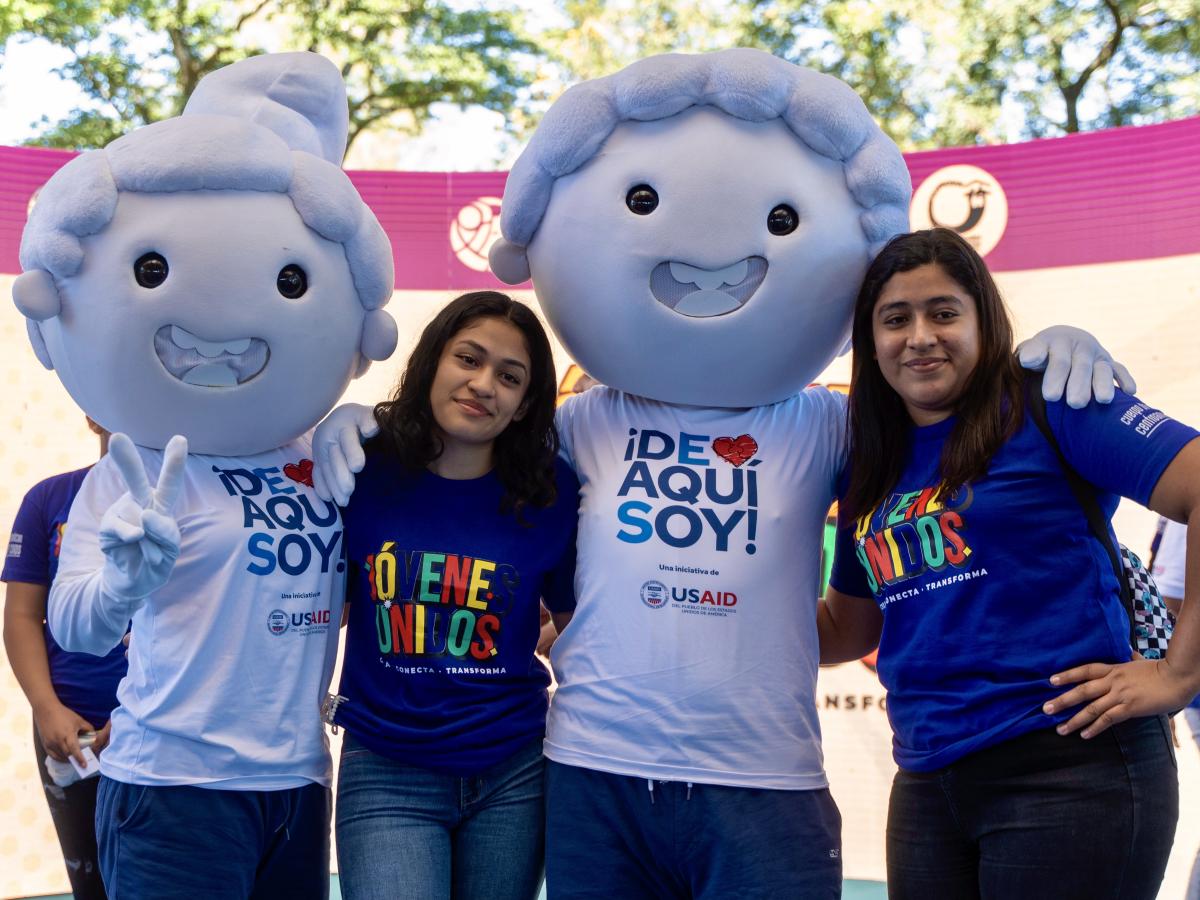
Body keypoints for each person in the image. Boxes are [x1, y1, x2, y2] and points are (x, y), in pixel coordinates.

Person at [314, 50, 1127, 900]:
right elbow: (457, 456)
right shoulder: (579, 423)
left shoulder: (827, 422)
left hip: (765, 778)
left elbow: (944, 416)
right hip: (596, 767)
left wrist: (1043, 357)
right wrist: (359, 423)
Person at [12, 52, 397, 899]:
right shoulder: (137, 465)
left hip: (297, 787)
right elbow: (73, 625)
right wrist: (121, 581)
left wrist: (369, 426)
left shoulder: (320, 453)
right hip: (174, 786)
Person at [820, 227, 1200, 899]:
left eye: (943, 312)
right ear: (868, 339)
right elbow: (849, 632)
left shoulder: (1051, 402)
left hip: (1071, 764)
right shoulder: (869, 462)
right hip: (929, 776)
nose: (920, 336)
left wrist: (1179, 674)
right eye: (895, 318)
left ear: (982, 319)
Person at [329, 291, 577, 900]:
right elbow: (317, 609)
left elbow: (580, 625)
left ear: (524, 405)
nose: (484, 383)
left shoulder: (550, 492)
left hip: (513, 770)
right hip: (387, 767)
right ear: (434, 361)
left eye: (509, 376)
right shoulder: (362, 469)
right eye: (469, 358)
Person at [2, 419, 123, 900]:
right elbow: (22, 617)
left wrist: (141, 716)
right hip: (71, 737)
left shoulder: (196, 497)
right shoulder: (49, 499)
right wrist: (46, 708)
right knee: (91, 885)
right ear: (90, 413)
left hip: (163, 730)